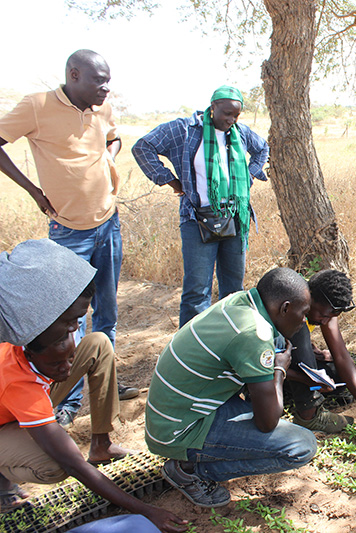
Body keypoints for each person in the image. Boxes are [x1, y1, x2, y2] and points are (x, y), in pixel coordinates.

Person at [0, 239, 186, 531]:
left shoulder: (39, 338)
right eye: (72, 319)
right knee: (56, 465)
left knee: (98, 343)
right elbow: (74, 464)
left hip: (34, 384)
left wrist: (57, 366)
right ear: (45, 318)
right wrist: (146, 510)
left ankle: (102, 445)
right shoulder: (19, 379)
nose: (76, 326)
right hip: (7, 418)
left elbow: (62, 353)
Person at [0, 49, 138, 412]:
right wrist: (32, 190)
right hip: (68, 232)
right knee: (67, 317)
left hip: (108, 224)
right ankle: (69, 400)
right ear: (74, 75)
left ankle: (104, 380)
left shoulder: (101, 109)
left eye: (108, 80)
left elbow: (112, 137)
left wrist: (109, 153)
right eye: (99, 80)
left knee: (107, 310)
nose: (106, 88)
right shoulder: (36, 106)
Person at [145, 267, 317, 508]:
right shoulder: (254, 333)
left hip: (178, 410)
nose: (305, 321)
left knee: (277, 343)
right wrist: (279, 371)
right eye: (303, 313)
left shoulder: (241, 301)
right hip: (180, 430)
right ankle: (190, 470)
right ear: (285, 307)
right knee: (301, 446)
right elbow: (267, 422)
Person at [132, 85, 270, 327]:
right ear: (212, 107)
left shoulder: (239, 132)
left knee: (233, 289)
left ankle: (227, 342)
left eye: (236, 115)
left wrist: (247, 177)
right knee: (197, 291)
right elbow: (143, 147)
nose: (230, 120)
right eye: (226, 113)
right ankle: (190, 351)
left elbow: (262, 149)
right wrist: (170, 180)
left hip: (234, 218)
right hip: (198, 219)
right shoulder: (184, 129)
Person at [285, 269, 356, 433]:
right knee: (300, 333)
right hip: (264, 364)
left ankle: (288, 389)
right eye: (323, 315)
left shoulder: (325, 310)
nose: (325, 321)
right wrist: (306, 379)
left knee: (335, 376)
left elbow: (341, 356)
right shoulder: (290, 307)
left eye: (331, 316)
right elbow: (264, 362)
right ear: (310, 297)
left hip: (286, 366)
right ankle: (308, 416)